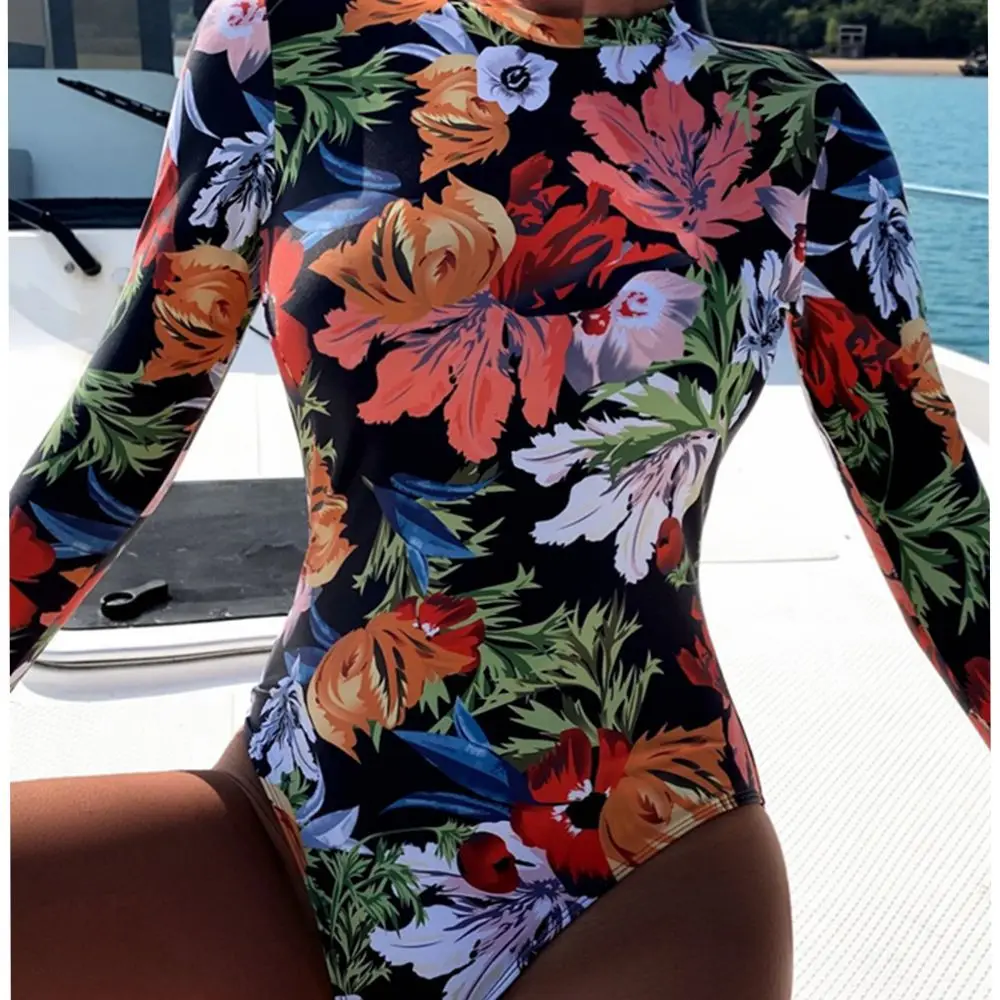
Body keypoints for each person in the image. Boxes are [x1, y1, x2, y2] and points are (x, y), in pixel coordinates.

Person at [9, 0, 990, 997]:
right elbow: (123, 426)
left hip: (646, 859)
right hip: (289, 817)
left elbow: (921, 497)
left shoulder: (801, 126)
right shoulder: (283, 45)